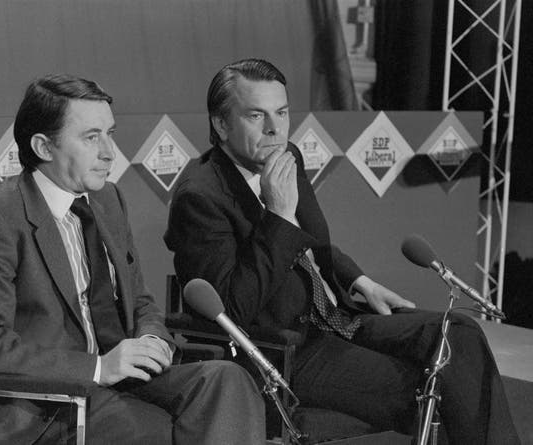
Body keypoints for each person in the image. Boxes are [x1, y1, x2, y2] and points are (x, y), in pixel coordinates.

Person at [164, 59, 520, 444]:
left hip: (338, 316)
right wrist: (279, 216)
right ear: (220, 123)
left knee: (458, 332)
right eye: (256, 115)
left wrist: (358, 280)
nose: (275, 128)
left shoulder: (287, 156)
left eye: (282, 113)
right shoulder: (199, 199)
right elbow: (231, 311)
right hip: (287, 349)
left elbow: (312, 245)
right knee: (434, 382)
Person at [0, 74, 265, 444]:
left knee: (227, 380)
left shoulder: (108, 199)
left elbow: (140, 301)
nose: (110, 151)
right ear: (44, 147)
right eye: (92, 137)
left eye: (110, 133)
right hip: (46, 403)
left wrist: (151, 339)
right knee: (157, 429)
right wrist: (97, 368)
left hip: (119, 380)